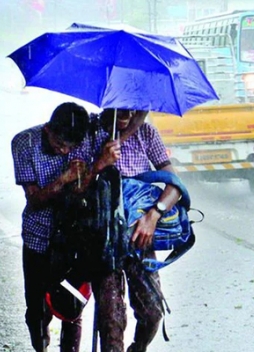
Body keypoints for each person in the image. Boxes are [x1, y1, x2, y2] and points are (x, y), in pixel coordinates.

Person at [71, 108, 181, 352]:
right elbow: (75, 189)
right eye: (122, 107)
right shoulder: (88, 134)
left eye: (133, 108)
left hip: (139, 241)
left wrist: (153, 215)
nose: (128, 113)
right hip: (102, 242)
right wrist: (100, 163)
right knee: (111, 322)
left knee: (152, 313)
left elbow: (176, 186)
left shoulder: (146, 133)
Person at [11, 101, 91, 352]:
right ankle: (41, 343)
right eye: (60, 145)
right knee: (36, 309)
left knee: (72, 304)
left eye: (71, 147)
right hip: (39, 236)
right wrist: (64, 179)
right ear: (48, 130)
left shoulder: (85, 140)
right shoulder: (24, 143)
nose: (66, 151)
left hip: (73, 237)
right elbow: (34, 199)